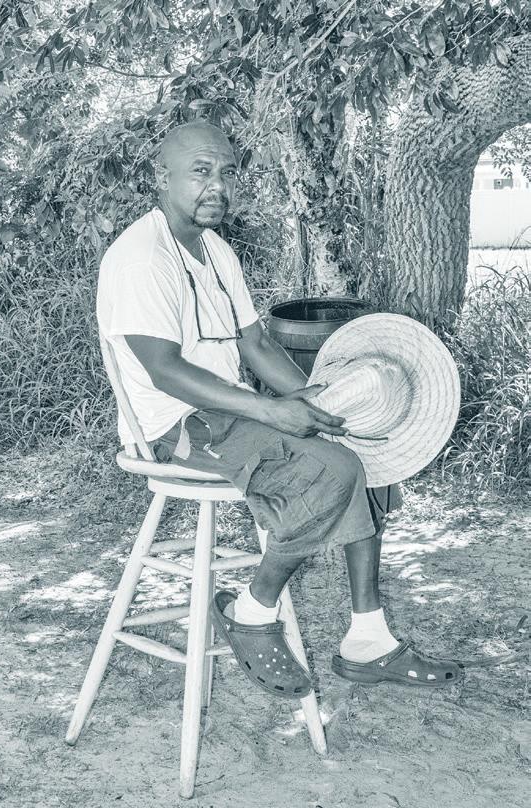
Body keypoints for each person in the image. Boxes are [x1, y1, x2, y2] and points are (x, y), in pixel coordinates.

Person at [96, 120, 461, 695]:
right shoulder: (143, 257)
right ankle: (251, 612)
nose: (217, 186)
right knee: (333, 469)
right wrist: (271, 412)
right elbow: (164, 371)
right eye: (200, 171)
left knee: (361, 454)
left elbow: (258, 346)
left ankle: (368, 640)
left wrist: (321, 402)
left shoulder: (215, 251)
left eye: (227, 173)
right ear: (161, 177)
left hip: (227, 414)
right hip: (175, 426)